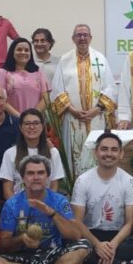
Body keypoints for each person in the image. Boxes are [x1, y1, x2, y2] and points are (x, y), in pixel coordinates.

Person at [0, 154, 91, 264]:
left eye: (41, 173)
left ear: (47, 177)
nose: (36, 177)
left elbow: (75, 235)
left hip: (53, 255)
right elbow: (3, 245)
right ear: (23, 178)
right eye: (30, 173)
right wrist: (22, 239)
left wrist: (51, 213)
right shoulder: (12, 204)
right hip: (24, 259)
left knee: (83, 247)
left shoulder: (59, 201)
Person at [71, 132, 133, 264]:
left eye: (114, 150)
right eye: (104, 149)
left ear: (121, 154)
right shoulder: (83, 180)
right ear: (96, 153)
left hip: (118, 235)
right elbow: (77, 221)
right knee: (73, 249)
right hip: (90, 233)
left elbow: (130, 222)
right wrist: (97, 245)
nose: (109, 154)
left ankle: (102, 261)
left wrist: (112, 245)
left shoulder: (128, 181)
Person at [51, 24, 117, 173]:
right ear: (73, 39)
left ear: (90, 38)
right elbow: (57, 89)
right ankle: (75, 189)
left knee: (97, 153)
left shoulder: (100, 59)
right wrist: (72, 110)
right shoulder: (64, 60)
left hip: (96, 118)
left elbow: (110, 88)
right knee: (73, 159)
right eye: (78, 35)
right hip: (72, 118)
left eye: (85, 35)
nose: (82, 38)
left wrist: (96, 109)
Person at [0, 109, 65, 198]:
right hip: (19, 207)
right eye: (27, 124)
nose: (32, 127)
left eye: (36, 123)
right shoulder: (10, 153)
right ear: (21, 127)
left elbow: (54, 186)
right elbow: (7, 190)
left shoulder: (53, 153)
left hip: (46, 206)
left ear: (42, 126)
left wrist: (45, 207)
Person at [0, 37, 48, 117]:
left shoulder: (38, 71)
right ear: (12, 52)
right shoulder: (3, 73)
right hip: (12, 120)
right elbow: (0, 99)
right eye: (19, 50)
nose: (23, 52)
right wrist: (20, 117)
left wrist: (32, 116)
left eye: (27, 50)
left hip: (35, 122)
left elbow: (46, 98)